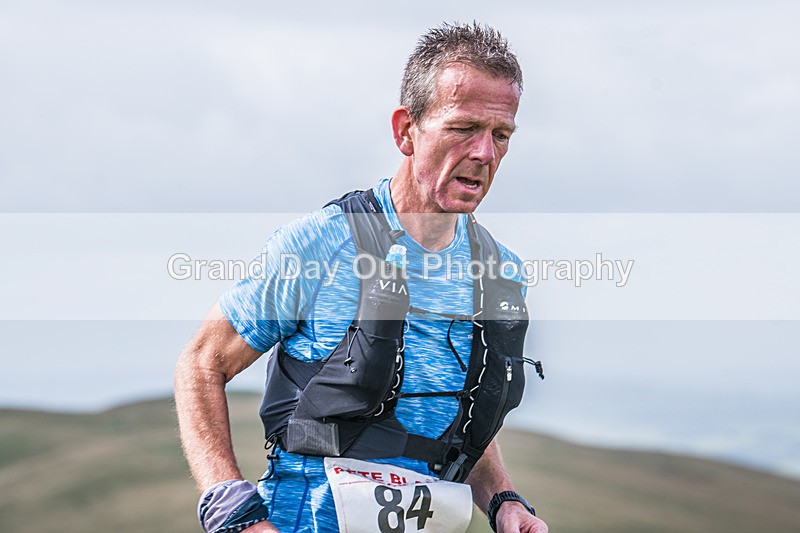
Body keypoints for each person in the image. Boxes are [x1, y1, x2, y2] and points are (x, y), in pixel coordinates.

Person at [175, 22, 549, 533]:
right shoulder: (322, 245)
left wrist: (504, 500)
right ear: (405, 131)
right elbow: (201, 363)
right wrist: (232, 512)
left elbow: (455, 423)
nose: (485, 154)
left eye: (500, 135)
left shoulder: (501, 273)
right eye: (464, 128)